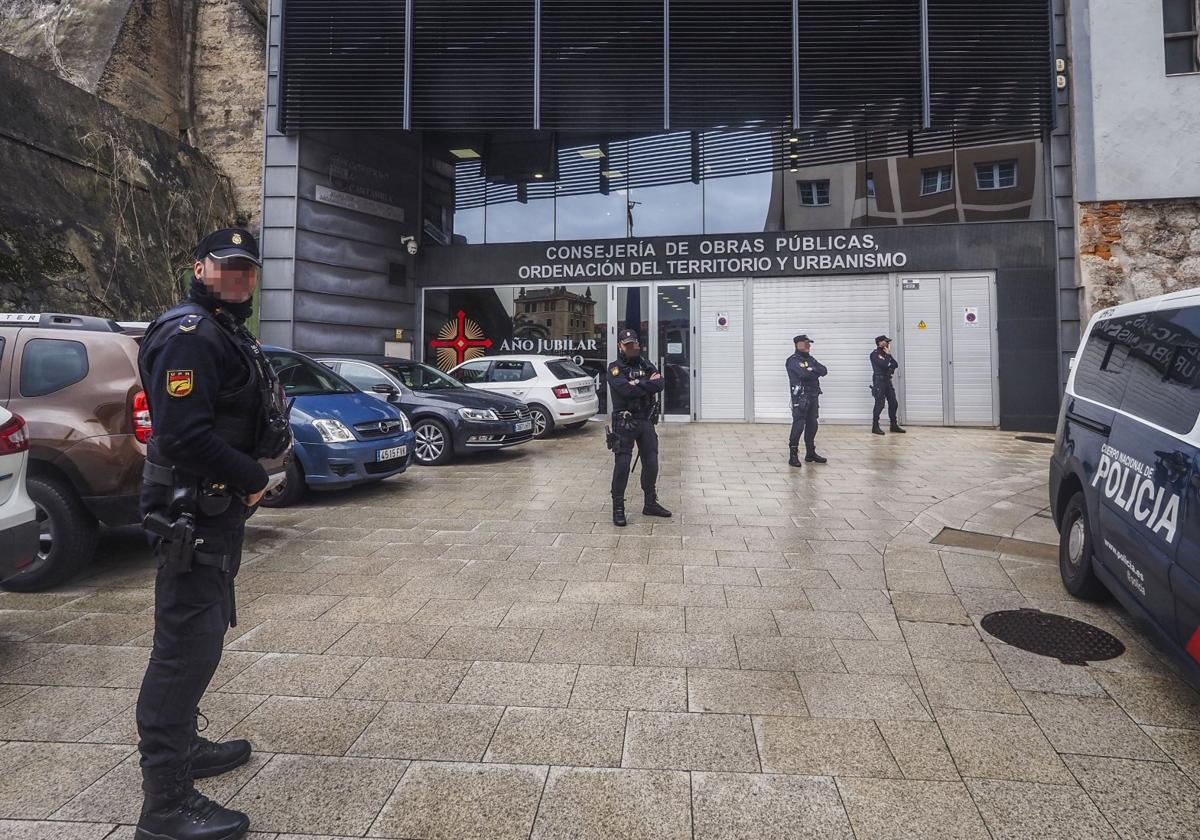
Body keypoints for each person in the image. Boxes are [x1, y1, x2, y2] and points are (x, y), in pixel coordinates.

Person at [134, 227, 291, 840]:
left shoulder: (224, 330)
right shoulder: (189, 334)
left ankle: (185, 748)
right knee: (183, 649)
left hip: (210, 510)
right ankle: (165, 804)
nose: (240, 277)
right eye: (228, 267)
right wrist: (252, 477)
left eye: (248, 269)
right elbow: (180, 436)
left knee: (201, 636)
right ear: (199, 267)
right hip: (189, 511)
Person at [607, 328, 672, 526]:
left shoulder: (646, 363)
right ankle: (618, 508)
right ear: (620, 346)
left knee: (651, 462)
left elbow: (660, 383)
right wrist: (644, 384)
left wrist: (637, 383)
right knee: (623, 466)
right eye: (627, 345)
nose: (632, 348)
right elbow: (625, 390)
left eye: (634, 344)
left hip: (645, 420)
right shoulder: (614, 368)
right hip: (624, 421)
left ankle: (650, 503)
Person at [786, 334, 828, 467]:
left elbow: (824, 370)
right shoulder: (792, 360)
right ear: (797, 344)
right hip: (801, 397)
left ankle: (810, 453)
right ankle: (793, 455)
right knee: (798, 424)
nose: (808, 346)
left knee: (812, 424)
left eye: (809, 343)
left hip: (813, 395)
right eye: (806, 343)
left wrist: (812, 369)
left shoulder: (811, 359)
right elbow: (803, 374)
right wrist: (812, 372)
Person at [870, 335, 906, 436]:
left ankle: (893, 425)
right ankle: (875, 426)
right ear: (880, 343)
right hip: (879, 381)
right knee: (879, 404)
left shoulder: (886, 354)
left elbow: (895, 364)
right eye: (886, 342)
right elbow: (885, 365)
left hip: (887, 381)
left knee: (894, 403)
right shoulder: (875, 354)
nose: (888, 343)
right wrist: (888, 357)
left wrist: (889, 356)